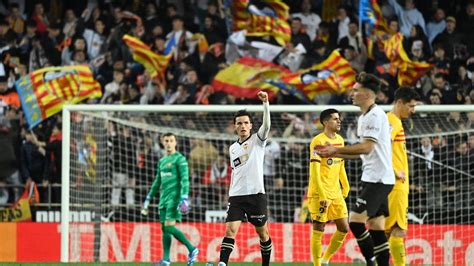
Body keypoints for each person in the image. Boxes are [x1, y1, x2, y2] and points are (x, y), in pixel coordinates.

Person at [317, 72, 394, 266]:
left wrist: (336, 149)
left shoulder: (375, 116)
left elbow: (367, 147)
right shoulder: (364, 117)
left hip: (379, 179)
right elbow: (362, 153)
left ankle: (370, 261)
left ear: (367, 95)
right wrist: (332, 153)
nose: (352, 93)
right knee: (376, 227)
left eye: (356, 90)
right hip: (372, 178)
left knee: (355, 221)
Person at [218, 91, 272, 266]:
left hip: (256, 195)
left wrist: (265, 104)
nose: (242, 126)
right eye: (239, 123)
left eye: (246, 123)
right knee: (230, 230)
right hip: (236, 196)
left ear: (250, 126)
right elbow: (235, 172)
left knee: (262, 233)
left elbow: (267, 125)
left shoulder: (258, 140)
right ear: (235, 126)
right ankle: (222, 264)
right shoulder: (232, 148)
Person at [141, 133, 199, 266]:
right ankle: (166, 260)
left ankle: (192, 248)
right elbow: (157, 181)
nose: (168, 143)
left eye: (171, 140)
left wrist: (184, 197)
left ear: (175, 142)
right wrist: (149, 197)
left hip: (175, 198)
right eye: (166, 141)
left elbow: (185, 179)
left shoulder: (180, 159)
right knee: (164, 228)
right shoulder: (161, 161)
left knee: (169, 227)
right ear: (162, 142)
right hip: (163, 199)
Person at [308, 108, 350, 265]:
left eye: (339, 118)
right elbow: (315, 171)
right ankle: (317, 264)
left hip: (336, 192)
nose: (339, 121)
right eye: (334, 119)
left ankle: (326, 260)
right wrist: (322, 194)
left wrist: (346, 185)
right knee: (319, 228)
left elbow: (340, 165)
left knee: (344, 228)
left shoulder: (340, 139)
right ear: (325, 122)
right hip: (320, 192)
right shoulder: (318, 141)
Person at [385, 87, 419, 266]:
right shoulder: (393, 121)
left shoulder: (392, 121)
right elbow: (381, 146)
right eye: (411, 106)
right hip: (396, 185)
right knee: (397, 230)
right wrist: (393, 170)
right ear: (399, 103)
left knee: (386, 231)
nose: (413, 110)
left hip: (392, 184)